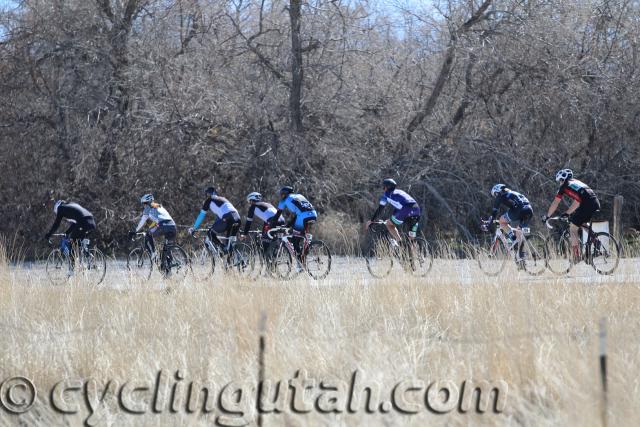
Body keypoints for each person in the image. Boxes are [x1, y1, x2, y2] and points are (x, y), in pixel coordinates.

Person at [542, 169, 601, 260]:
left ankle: (576, 256)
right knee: (582, 223)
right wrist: (567, 213)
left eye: (560, 181)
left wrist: (548, 216)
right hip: (595, 202)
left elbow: (555, 202)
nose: (560, 183)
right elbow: (577, 201)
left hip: (587, 203)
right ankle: (595, 241)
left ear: (563, 179)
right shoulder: (576, 182)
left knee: (573, 228)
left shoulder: (564, 186)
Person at [365, 178, 421, 245]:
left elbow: (380, 209)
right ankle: (411, 250)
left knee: (389, 224)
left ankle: (400, 242)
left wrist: (372, 220)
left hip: (406, 209)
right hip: (417, 210)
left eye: (384, 187)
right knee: (411, 239)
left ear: (387, 187)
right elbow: (401, 205)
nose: (383, 189)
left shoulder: (386, 195)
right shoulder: (400, 191)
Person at [269, 186, 317, 258]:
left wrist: (272, 225)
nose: (281, 196)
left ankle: (300, 263)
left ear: (285, 194)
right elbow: (298, 213)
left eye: (282, 194)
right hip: (313, 214)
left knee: (295, 239)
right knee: (300, 234)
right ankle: (305, 248)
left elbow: (277, 215)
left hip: (303, 216)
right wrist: (288, 225)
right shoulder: (300, 195)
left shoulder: (284, 200)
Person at [188, 187, 241, 252]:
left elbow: (201, 216)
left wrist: (194, 227)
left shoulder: (209, 200)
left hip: (227, 218)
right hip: (237, 218)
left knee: (210, 233)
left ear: (208, 194)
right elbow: (221, 215)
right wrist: (214, 225)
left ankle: (222, 247)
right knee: (229, 246)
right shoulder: (223, 199)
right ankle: (234, 258)